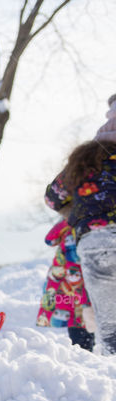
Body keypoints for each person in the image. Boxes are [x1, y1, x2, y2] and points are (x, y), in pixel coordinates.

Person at [44, 93, 116, 355]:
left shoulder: (87, 159)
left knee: (110, 330)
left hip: (96, 244)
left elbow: (52, 197)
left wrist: (78, 208)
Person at [36, 213, 94, 351]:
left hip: (70, 291)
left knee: (82, 332)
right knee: (82, 337)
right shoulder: (74, 233)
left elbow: (50, 239)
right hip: (74, 293)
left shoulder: (71, 227)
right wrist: (86, 304)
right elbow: (74, 271)